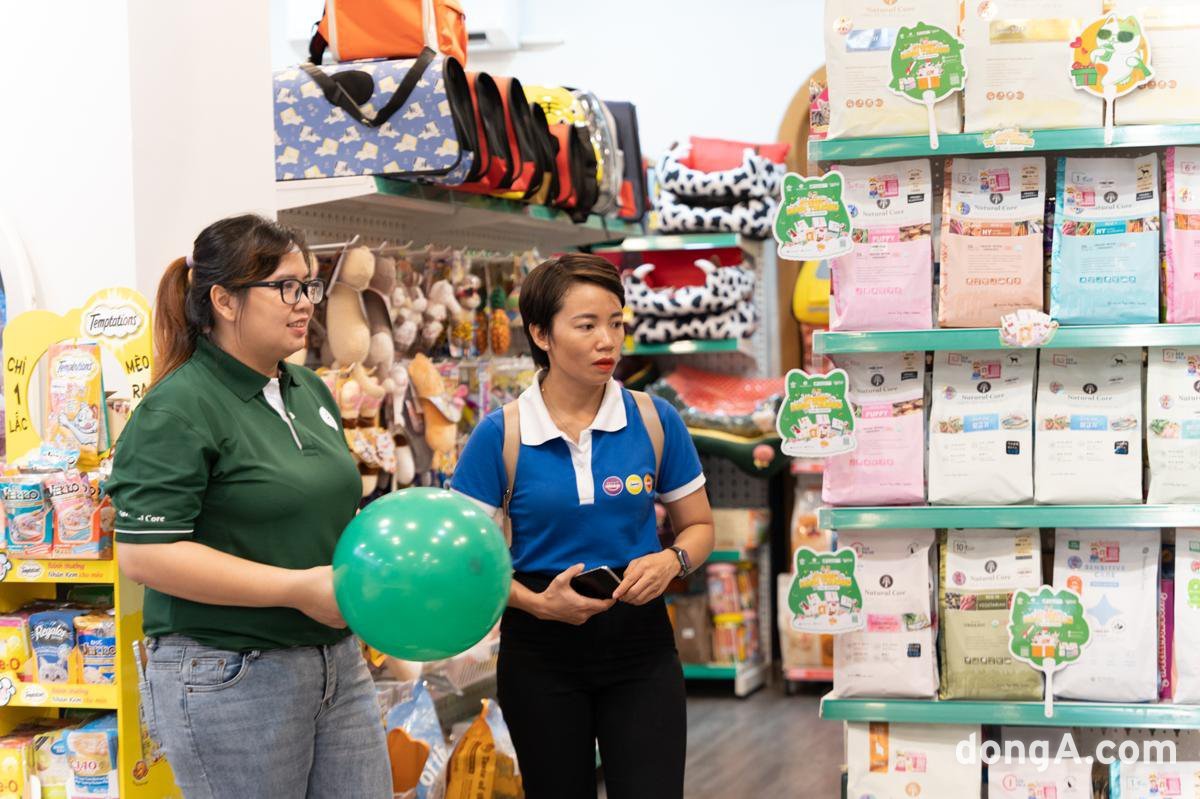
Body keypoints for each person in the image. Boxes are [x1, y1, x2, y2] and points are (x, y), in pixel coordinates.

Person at [106, 215, 390, 798]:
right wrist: (298, 588)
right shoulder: (177, 408)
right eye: (285, 286)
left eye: (308, 285)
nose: (305, 301)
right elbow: (145, 556)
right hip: (230, 674)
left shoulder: (308, 390)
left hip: (336, 662)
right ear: (224, 300)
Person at [451, 254, 715, 799]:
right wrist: (536, 603)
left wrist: (672, 561)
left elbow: (699, 526)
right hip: (539, 652)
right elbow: (466, 561)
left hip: (641, 646)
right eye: (587, 325)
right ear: (541, 334)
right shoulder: (500, 434)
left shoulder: (654, 419)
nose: (607, 341)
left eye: (616, 323)